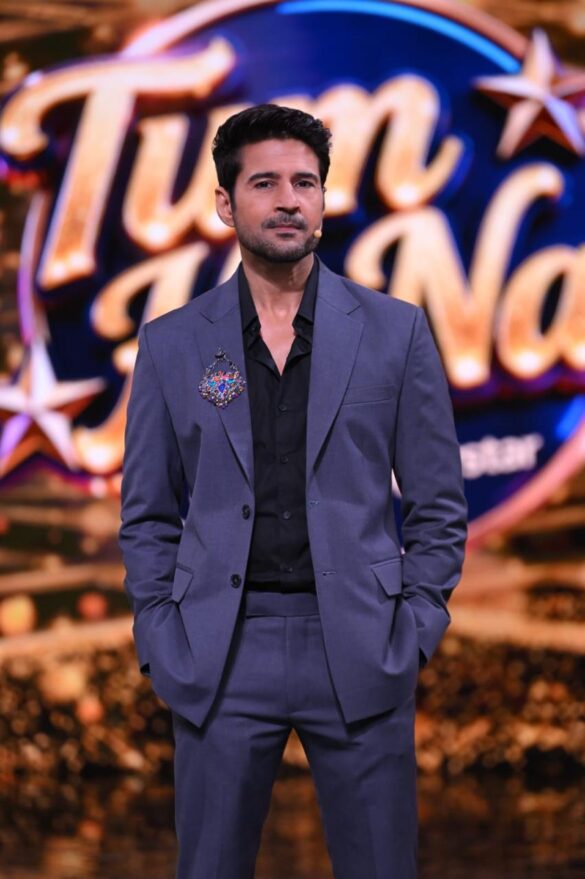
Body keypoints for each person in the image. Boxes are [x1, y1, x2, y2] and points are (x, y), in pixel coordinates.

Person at [118, 103, 467, 879]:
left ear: (322, 198)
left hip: (362, 644)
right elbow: (146, 514)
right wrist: (162, 636)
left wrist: (412, 630)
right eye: (265, 183)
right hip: (219, 651)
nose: (288, 200)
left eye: (304, 183)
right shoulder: (172, 343)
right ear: (224, 202)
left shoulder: (395, 331)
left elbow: (439, 505)